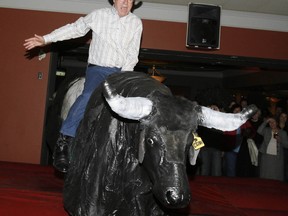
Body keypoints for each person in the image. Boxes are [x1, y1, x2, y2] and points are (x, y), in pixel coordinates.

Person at [24, 0, 143, 173]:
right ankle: (64, 140)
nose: (125, 3)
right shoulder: (98, 15)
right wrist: (46, 39)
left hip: (121, 72)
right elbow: (74, 28)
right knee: (88, 96)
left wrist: (123, 77)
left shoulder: (136, 23)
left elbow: (133, 53)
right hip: (98, 69)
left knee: (132, 104)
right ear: (114, 0)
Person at [257, 117, 288, 181]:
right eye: (270, 122)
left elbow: (286, 145)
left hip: (277, 157)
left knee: (276, 174)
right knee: (265, 173)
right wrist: (266, 121)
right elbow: (259, 130)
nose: (272, 124)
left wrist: (280, 140)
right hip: (266, 156)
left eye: (273, 122)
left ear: (277, 123)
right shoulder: (266, 130)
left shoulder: (283, 132)